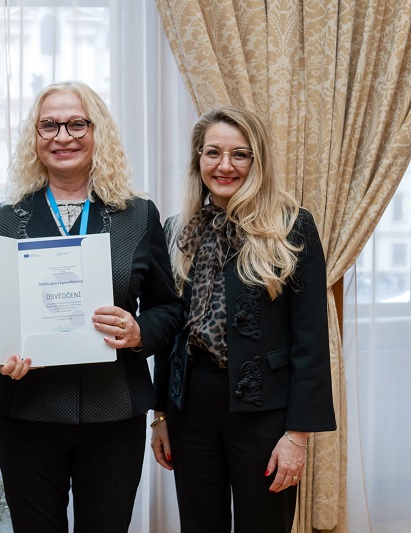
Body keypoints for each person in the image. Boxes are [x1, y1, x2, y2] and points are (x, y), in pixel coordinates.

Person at [0, 80, 184, 532]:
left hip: (113, 412)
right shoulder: (1, 218)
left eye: (77, 124)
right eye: (49, 125)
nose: (63, 136)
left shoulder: (138, 215)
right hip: (28, 412)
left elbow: (169, 309)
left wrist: (138, 331)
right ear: (35, 137)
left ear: (98, 132)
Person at [150, 106, 337, 533]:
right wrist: (160, 415)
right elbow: (170, 329)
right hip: (190, 406)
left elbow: (311, 340)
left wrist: (297, 437)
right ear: (198, 159)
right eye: (212, 152)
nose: (225, 166)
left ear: (257, 161)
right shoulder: (177, 229)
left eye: (240, 154)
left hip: (265, 409)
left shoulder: (292, 226)